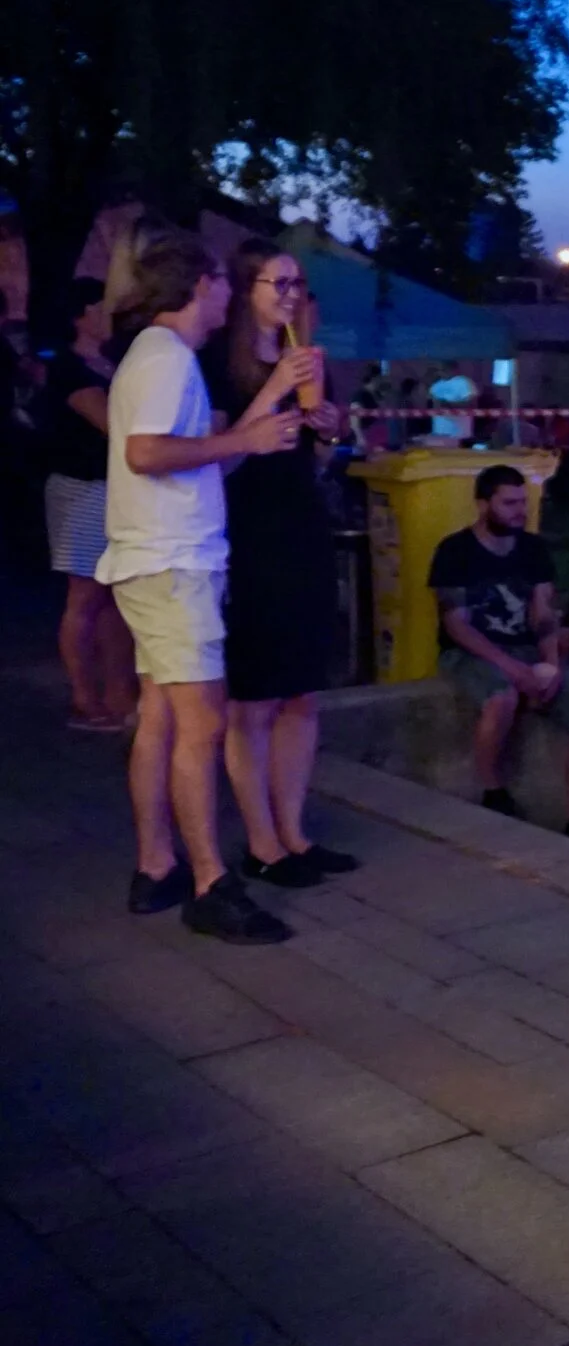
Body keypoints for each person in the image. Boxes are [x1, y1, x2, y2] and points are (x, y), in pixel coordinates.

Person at [99, 224, 301, 944]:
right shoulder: (166, 358)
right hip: (172, 564)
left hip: (157, 560)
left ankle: (156, 865)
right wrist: (245, 438)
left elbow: (197, 457)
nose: (227, 297)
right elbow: (146, 452)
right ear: (199, 286)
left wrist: (255, 421)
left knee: (160, 715)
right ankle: (212, 884)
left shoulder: (156, 355)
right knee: (202, 724)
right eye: (220, 283)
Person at [203, 240, 358, 887]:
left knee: (301, 692)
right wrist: (272, 390)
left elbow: (317, 456)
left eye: (299, 284)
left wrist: (330, 428)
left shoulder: (306, 358)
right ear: (247, 290)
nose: (293, 296)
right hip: (248, 533)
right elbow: (215, 458)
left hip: (302, 528)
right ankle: (260, 842)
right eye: (280, 283)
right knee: (255, 699)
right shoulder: (217, 362)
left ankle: (294, 832)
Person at [430, 466, 569, 839]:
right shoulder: (454, 551)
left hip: (525, 647)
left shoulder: (532, 549)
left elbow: (543, 615)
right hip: (472, 651)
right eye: (509, 503)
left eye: (523, 502)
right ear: (483, 505)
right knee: (502, 697)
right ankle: (492, 789)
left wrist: (551, 665)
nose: (520, 511)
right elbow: (457, 626)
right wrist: (514, 669)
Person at [40, 278, 136, 730]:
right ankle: (83, 695)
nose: (109, 315)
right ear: (80, 316)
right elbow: (111, 423)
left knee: (113, 595)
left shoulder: (108, 362)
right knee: (85, 595)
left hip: (111, 487)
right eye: (101, 307)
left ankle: (117, 691)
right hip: (81, 488)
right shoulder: (70, 369)